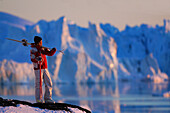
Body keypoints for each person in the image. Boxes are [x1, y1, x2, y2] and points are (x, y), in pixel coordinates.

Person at [30, 36, 56, 103]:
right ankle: (39, 100)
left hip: (44, 67)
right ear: (38, 42)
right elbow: (32, 58)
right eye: (41, 42)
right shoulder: (33, 49)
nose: (42, 43)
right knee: (39, 84)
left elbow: (49, 53)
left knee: (49, 82)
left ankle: (48, 98)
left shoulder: (42, 49)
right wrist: (36, 59)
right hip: (38, 68)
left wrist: (53, 51)